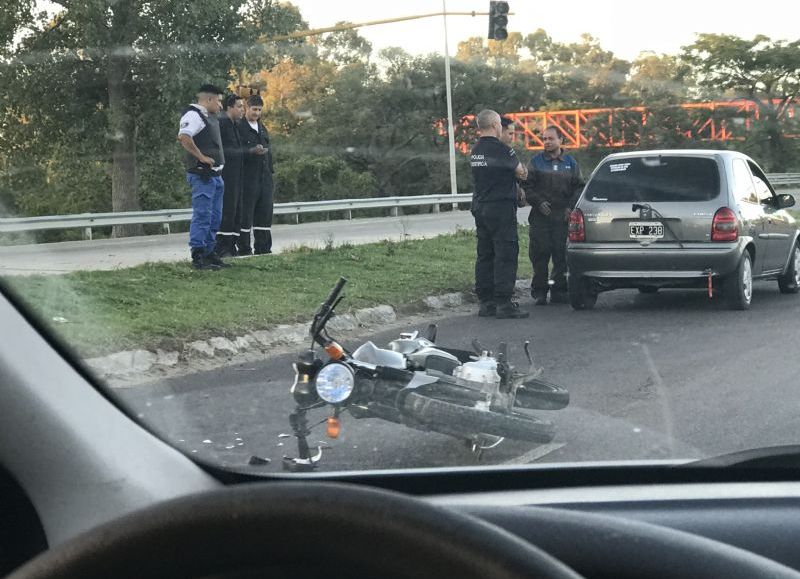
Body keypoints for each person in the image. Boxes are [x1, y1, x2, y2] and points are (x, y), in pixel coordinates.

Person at [469, 109, 529, 319]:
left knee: (485, 254)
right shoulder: (502, 150)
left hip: (481, 206)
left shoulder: (475, 150)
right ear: (496, 125)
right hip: (501, 208)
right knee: (505, 253)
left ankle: (486, 303)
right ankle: (504, 303)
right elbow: (521, 172)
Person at [523, 125, 584, 305]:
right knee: (540, 255)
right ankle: (540, 291)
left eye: (551, 138)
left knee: (561, 255)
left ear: (560, 140)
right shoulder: (535, 162)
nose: (547, 142)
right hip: (540, 216)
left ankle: (559, 290)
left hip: (562, 217)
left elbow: (579, 187)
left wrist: (570, 208)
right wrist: (538, 202)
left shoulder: (571, 163)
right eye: (544, 139)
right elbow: (526, 186)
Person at [177, 84, 226, 270]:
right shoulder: (193, 115)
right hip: (202, 175)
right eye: (219, 101)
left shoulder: (208, 117)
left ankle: (209, 253)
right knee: (203, 215)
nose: (220, 106)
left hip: (215, 175)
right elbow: (184, 137)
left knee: (215, 217)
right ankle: (198, 254)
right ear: (209, 100)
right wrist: (201, 157)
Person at [238, 94, 275, 256]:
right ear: (247, 107)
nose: (257, 113)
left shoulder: (262, 127)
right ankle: (245, 249)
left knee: (265, 213)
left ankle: (264, 248)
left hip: (265, 177)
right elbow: (235, 152)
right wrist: (252, 152)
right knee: (245, 215)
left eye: (259, 110)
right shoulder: (239, 127)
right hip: (248, 178)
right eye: (254, 109)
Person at [215, 93, 245, 258]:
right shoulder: (222, 124)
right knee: (227, 210)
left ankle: (232, 245)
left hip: (237, 175)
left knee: (236, 211)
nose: (242, 110)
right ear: (230, 107)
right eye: (239, 107)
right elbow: (221, 150)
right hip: (226, 175)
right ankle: (222, 248)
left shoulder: (235, 125)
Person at [500, 116, 528, 209]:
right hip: (504, 203)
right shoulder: (505, 150)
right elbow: (521, 173)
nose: (512, 137)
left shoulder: (482, 148)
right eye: (510, 134)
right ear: (501, 131)